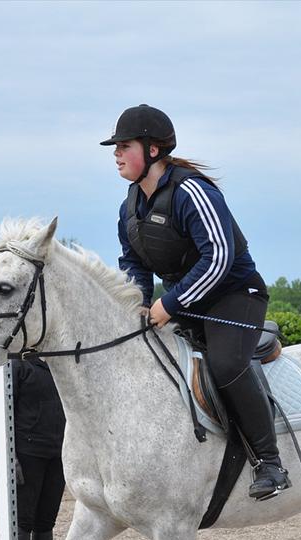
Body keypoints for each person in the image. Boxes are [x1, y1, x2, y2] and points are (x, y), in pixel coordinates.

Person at [101, 104, 290, 500]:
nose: (116, 153)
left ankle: (270, 462)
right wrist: (140, 300)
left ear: (153, 150)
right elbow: (132, 262)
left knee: (224, 364)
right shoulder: (129, 205)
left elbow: (218, 257)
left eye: (124, 145)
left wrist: (168, 304)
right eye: (115, 147)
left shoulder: (191, 191)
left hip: (236, 297)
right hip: (186, 303)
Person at [11, 357, 66, 540]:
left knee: (46, 522)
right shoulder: (19, 365)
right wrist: (11, 456)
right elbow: (8, 411)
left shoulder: (61, 364)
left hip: (58, 452)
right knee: (23, 521)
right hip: (28, 453)